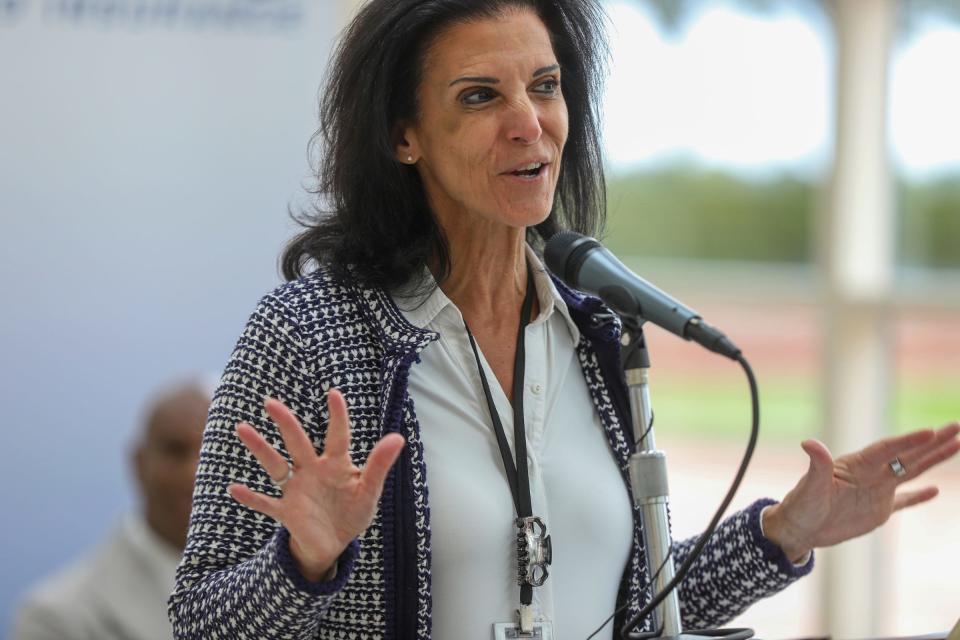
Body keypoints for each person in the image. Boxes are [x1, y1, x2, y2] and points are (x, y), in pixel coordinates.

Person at [167, 1, 960, 639]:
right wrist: (303, 559)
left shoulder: (600, 338)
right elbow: (200, 622)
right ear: (402, 136)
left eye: (543, 87)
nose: (529, 123)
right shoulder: (309, 334)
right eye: (480, 96)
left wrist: (787, 531)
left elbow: (641, 606)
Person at [13, 381, 210, 640]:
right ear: (139, 464)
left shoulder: (275, 575)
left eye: (215, 452)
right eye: (175, 451)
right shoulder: (57, 618)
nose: (195, 472)